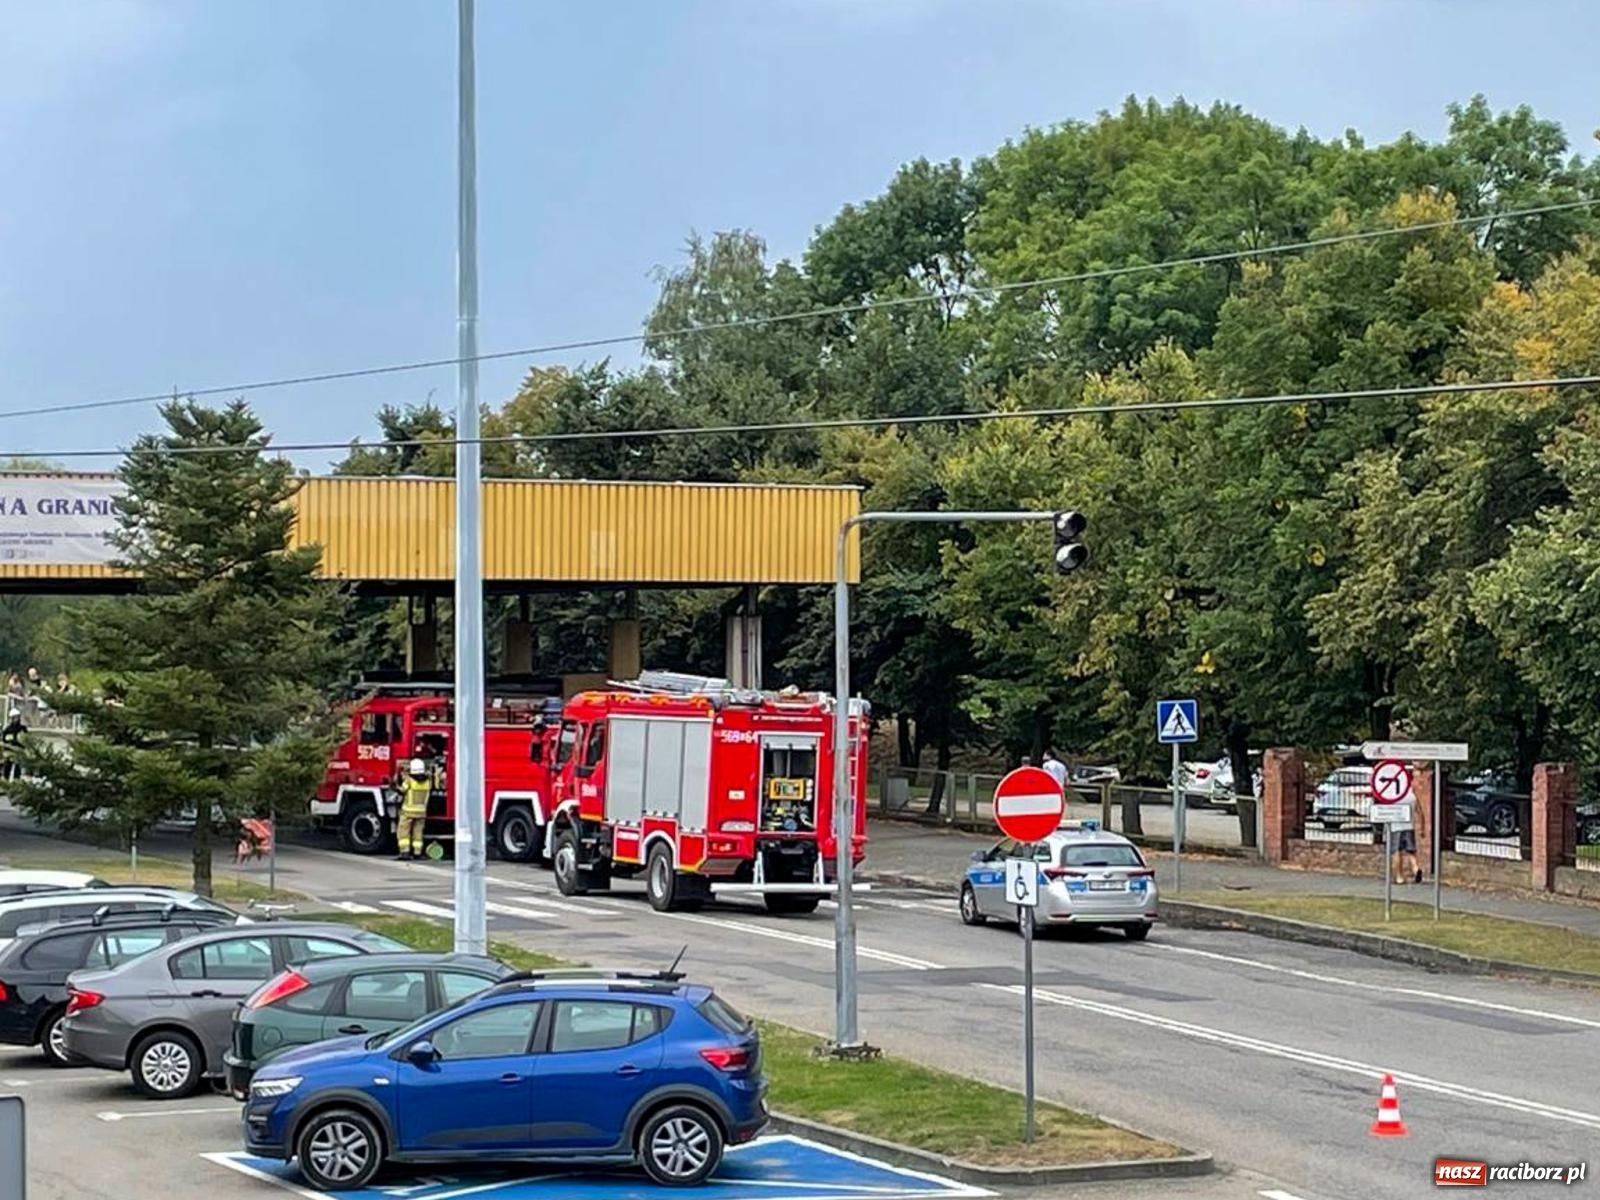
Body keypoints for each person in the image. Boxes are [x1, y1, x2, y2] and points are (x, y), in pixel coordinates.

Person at [396, 757, 432, 861]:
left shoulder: (409, 780)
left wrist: (395, 785)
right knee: (418, 833)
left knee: (404, 832)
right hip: (421, 812)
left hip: (408, 812)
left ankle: (405, 852)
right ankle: (417, 853)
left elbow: (402, 790)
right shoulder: (428, 782)